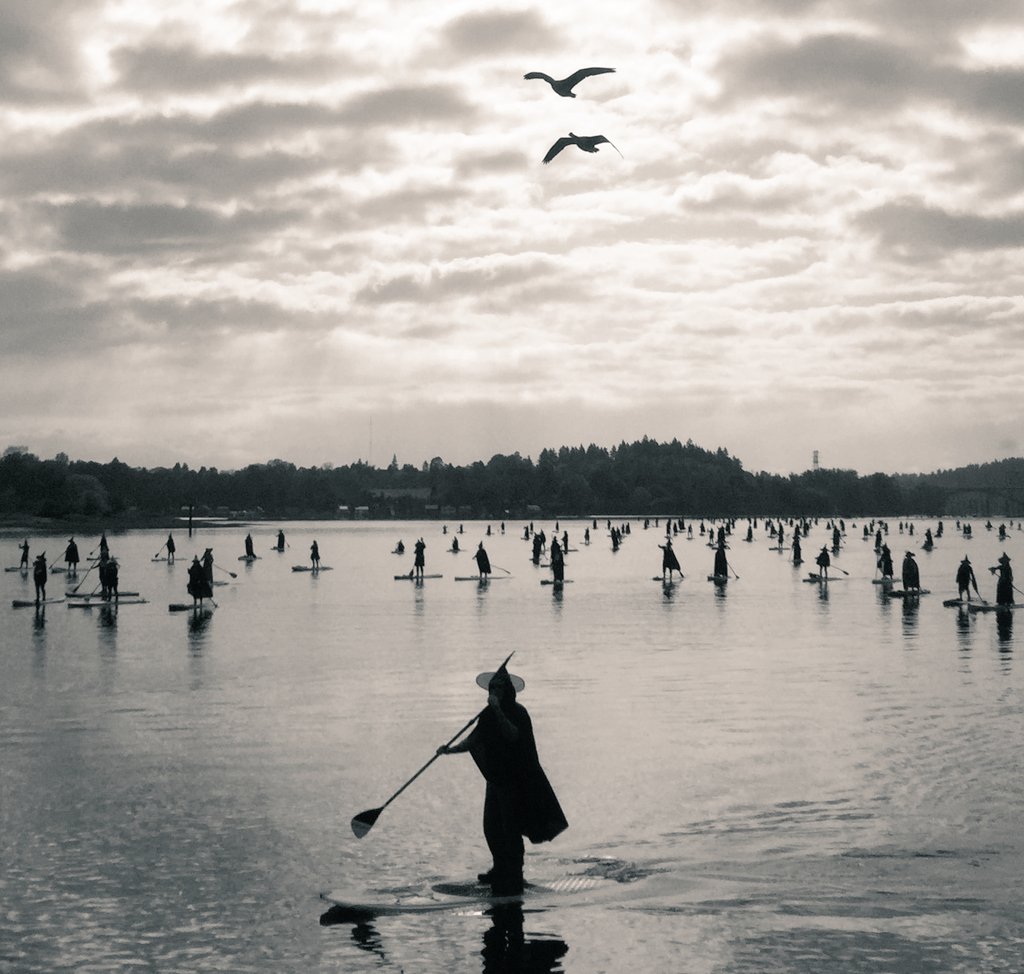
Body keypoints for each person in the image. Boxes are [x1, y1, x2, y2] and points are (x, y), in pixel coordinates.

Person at [436, 659, 567, 896]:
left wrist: (497, 709)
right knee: (491, 827)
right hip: (496, 780)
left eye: (499, 688)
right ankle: (499, 868)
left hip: (516, 781)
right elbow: (475, 740)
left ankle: (515, 874)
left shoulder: (518, 713)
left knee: (511, 829)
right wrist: (449, 749)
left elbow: (513, 736)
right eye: (492, 688)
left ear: (507, 691)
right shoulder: (487, 715)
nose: (494, 692)